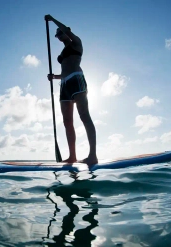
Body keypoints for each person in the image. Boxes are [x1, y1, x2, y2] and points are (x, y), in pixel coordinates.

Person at [45, 15, 98, 166]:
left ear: (66, 32)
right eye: (57, 35)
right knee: (67, 121)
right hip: (64, 85)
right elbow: (64, 70)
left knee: (84, 116)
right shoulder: (63, 50)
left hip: (76, 80)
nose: (58, 37)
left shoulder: (76, 43)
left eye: (60, 33)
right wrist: (54, 76)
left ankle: (92, 155)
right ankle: (72, 156)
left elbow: (65, 30)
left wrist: (52, 19)